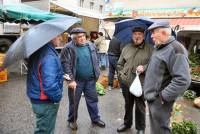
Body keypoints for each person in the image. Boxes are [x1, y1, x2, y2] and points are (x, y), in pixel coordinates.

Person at [144, 21, 191, 134]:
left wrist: (163, 97)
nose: (151, 36)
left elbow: (183, 80)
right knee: (156, 129)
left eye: (153, 32)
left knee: (161, 130)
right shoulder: (159, 47)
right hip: (153, 98)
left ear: (164, 32)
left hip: (160, 101)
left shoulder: (176, 49)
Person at [60, 28, 105, 130]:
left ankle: (95, 118)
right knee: (74, 102)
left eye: (83, 36)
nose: (82, 38)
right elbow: (65, 65)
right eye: (79, 37)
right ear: (74, 38)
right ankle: (72, 120)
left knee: (93, 100)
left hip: (90, 80)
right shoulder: (68, 48)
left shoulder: (90, 45)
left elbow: (96, 58)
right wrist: (70, 80)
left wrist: (96, 72)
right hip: (76, 81)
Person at [117, 27, 153, 134]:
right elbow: (119, 64)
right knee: (128, 104)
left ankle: (140, 128)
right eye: (135, 34)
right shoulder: (126, 47)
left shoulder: (150, 49)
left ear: (143, 35)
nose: (137, 36)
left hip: (141, 83)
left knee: (140, 106)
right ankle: (127, 123)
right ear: (132, 36)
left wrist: (144, 67)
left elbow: (154, 64)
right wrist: (121, 75)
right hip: (126, 82)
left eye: (139, 34)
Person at [27, 35, 65, 134]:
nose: (61, 38)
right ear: (51, 37)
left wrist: (60, 75)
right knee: (45, 131)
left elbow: (40, 74)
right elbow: (50, 85)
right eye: (59, 36)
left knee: (43, 129)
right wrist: (57, 98)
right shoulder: (49, 56)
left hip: (37, 97)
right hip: (45, 101)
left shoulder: (39, 50)